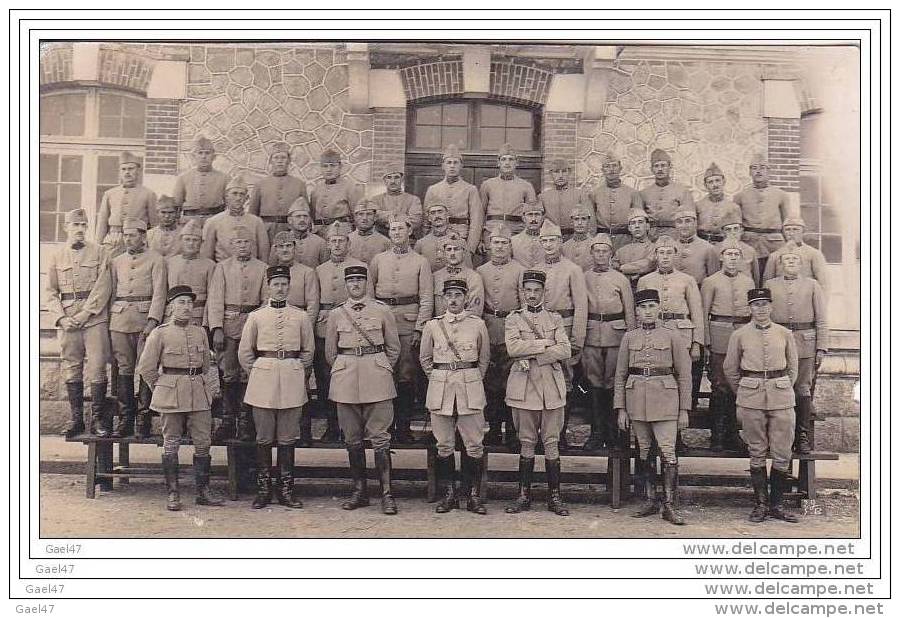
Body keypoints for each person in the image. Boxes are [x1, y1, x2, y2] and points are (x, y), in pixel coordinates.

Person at [137, 285, 224, 512]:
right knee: (171, 442)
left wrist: (210, 389)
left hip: (198, 393)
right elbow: (146, 368)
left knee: (203, 443)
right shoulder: (159, 333)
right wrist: (164, 386)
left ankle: (203, 491)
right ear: (171, 306)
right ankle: (173, 492)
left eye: (189, 303)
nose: (186, 307)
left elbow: (206, 366)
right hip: (171, 393)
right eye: (181, 302)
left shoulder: (200, 332)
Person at [325, 265, 401, 515]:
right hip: (346, 379)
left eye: (360, 280)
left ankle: (387, 494)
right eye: (351, 281)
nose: (356, 284)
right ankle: (359, 491)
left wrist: (378, 367)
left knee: (381, 438)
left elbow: (393, 348)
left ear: (367, 283)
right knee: (352, 439)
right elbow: (330, 353)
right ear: (346, 285)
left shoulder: (382, 311)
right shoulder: (336, 314)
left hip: (377, 378)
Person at [238, 265, 314, 509]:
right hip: (263, 378)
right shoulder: (256, 317)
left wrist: (294, 370)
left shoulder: (301, 316)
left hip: (291, 376)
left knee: (287, 438)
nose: (280, 288)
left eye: (284, 284)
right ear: (268, 287)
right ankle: (263, 489)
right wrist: (261, 371)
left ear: (289, 286)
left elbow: (308, 351)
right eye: (276, 284)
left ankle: (286, 490)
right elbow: (245, 353)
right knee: (263, 437)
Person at [615, 289, 692, 525]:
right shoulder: (629, 337)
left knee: (668, 452)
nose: (647, 311)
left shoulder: (672, 336)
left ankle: (669, 504)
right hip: (637, 399)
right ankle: (650, 500)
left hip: (666, 400)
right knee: (644, 451)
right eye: (642, 307)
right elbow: (620, 374)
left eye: (651, 306)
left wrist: (683, 410)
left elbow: (685, 374)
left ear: (658, 308)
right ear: (636, 311)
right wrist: (621, 408)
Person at [723, 288, 800, 523]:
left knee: (782, 452)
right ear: (749, 308)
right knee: (756, 450)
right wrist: (747, 390)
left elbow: (793, 369)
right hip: (751, 396)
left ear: (771, 307)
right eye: (756, 305)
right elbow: (730, 369)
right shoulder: (739, 335)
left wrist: (780, 386)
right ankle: (761, 505)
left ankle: (777, 505)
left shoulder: (784, 333)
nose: (761, 309)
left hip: (781, 396)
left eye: (765, 304)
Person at [420, 279, 492, 515]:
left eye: (458, 295)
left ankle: (472, 496)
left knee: (474, 445)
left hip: (469, 388)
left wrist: (469, 378)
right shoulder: (433, 326)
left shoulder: (477, 324)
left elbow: (483, 359)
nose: (453, 300)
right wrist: (441, 377)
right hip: (441, 389)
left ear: (465, 298)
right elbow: (425, 359)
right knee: (444, 445)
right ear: (443, 299)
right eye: (448, 295)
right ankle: (449, 495)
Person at [504, 270, 572, 517]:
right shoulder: (513, 319)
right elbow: (512, 348)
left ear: (544, 292)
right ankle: (523, 495)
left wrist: (531, 353)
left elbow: (565, 349)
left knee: (552, 443)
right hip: (524, 388)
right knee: (527, 442)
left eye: (537, 290)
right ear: (522, 292)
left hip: (551, 388)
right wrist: (544, 344)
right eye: (528, 290)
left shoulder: (554, 319)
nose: (532, 295)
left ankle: (555, 497)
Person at [44, 208, 113, 437]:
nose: (80, 229)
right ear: (66, 227)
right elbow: (50, 292)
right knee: (72, 368)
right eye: (76, 225)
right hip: (67, 322)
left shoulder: (101, 253)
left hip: (93, 320)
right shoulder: (56, 256)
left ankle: (97, 420)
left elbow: (104, 288)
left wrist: (84, 314)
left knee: (97, 368)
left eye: (84, 225)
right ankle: (76, 420)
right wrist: (61, 318)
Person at [368, 214, 434, 443]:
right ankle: (383, 426)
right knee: (383, 372)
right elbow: (369, 293)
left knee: (406, 374)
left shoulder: (420, 261)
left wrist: (419, 328)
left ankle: (403, 427)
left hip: (407, 322)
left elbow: (426, 297)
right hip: (382, 321)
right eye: (393, 229)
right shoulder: (378, 260)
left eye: (401, 229)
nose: (397, 233)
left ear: (409, 232)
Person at [207, 225, 268, 441]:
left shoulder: (262, 268)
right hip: (229, 326)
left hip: (252, 327)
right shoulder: (222, 268)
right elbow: (215, 300)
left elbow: (265, 301)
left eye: (246, 242)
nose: (243, 246)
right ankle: (227, 420)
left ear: (253, 245)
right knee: (229, 373)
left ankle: (245, 421)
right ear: (232, 246)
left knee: (248, 374)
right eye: (238, 242)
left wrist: (258, 325)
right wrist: (216, 329)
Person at [765, 249, 828, 454]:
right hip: (778, 342)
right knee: (776, 386)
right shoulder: (770, 285)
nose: (790, 262)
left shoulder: (812, 285)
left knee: (802, 388)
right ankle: (775, 435)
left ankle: (801, 436)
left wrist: (821, 347)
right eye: (786, 259)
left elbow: (821, 319)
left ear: (801, 264)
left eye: (794, 259)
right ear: (780, 264)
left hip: (805, 342)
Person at [108, 218, 167, 438]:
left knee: (145, 368)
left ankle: (143, 419)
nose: (128, 239)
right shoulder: (117, 261)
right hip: (120, 320)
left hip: (144, 320)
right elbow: (111, 292)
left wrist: (153, 320)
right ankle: (125, 419)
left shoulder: (156, 260)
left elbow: (160, 293)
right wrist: (109, 320)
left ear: (143, 236)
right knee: (124, 368)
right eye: (126, 235)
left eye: (133, 235)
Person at [534, 220, 588, 449]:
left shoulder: (572, 270)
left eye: (553, 240)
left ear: (560, 242)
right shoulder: (535, 268)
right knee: (538, 379)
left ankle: (559, 434)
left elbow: (581, 305)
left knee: (563, 380)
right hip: (538, 330)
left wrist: (577, 338)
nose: (548, 244)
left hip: (563, 328)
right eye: (544, 240)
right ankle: (539, 434)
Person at [637, 236, 705, 412]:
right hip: (655, 332)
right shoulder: (645, 280)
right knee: (659, 378)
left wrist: (697, 343)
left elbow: (697, 313)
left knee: (682, 377)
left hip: (682, 334)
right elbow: (640, 313)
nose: (665, 257)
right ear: (656, 255)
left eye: (669, 253)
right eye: (661, 252)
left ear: (675, 255)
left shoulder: (687, 280)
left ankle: (679, 428)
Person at [581, 233, 635, 450]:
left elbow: (630, 311)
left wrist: (630, 337)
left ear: (611, 254)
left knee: (614, 381)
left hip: (616, 335)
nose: (601, 255)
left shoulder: (621, 279)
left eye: (605, 251)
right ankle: (597, 431)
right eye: (597, 251)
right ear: (591, 253)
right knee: (594, 382)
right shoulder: (583, 277)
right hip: (592, 333)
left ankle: (614, 433)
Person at [700, 240, 755, 450]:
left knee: (737, 385)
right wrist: (706, 341)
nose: (732, 258)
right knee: (720, 385)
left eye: (736, 254)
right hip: (719, 334)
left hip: (741, 335)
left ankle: (733, 434)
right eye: (728, 254)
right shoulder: (711, 281)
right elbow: (704, 314)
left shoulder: (748, 282)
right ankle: (717, 435)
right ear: (721, 257)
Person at [313, 221, 364, 442]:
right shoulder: (319, 270)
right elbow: (313, 301)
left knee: (351, 377)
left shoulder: (360, 267)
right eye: (333, 241)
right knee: (325, 377)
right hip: (324, 326)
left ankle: (352, 427)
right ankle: (332, 425)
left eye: (341, 240)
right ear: (327, 244)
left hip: (350, 328)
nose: (337, 245)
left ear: (348, 243)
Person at [270, 230, 321, 445]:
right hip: (277, 331)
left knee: (303, 379)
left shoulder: (307, 272)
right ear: (275, 249)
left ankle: (305, 428)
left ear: (295, 248)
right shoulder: (270, 272)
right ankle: (278, 430)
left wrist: (303, 329)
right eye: (281, 247)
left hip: (300, 328)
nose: (285, 250)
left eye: (288, 246)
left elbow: (313, 303)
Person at [477, 224, 525, 448]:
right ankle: (494, 429)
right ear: (489, 245)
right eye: (495, 242)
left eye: (504, 243)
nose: (499, 247)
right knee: (490, 382)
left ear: (510, 246)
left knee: (512, 381)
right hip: (489, 326)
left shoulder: (519, 270)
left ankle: (513, 430)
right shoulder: (482, 271)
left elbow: (524, 305)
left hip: (511, 327)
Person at [733, 152, 796, 275]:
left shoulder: (781, 195)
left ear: (769, 171)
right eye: (754, 168)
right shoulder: (740, 196)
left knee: (774, 276)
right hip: (749, 243)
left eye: (762, 168)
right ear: (749, 172)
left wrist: (790, 244)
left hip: (774, 244)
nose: (758, 171)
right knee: (750, 277)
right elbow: (736, 224)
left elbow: (787, 223)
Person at [95, 151, 158, 258]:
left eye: (131, 169)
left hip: (137, 241)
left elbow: (154, 226)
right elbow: (102, 223)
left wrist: (151, 246)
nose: (127, 172)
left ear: (138, 171)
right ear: (119, 172)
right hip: (114, 241)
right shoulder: (110, 194)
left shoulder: (148, 194)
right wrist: (98, 246)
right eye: (123, 169)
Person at [423, 144, 483, 258]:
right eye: (449, 162)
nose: (452, 166)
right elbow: (426, 221)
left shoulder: (470, 189)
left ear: (461, 166)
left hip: (461, 237)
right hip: (437, 238)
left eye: (455, 163)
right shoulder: (433, 189)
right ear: (443, 166)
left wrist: (470, 248)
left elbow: (476, 221)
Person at [247, 142, 308, 243]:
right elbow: (253, 214)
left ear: (289, 161)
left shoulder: (299, 184)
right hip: (266, 231)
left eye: (283, 158)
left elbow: (305, 212)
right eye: (276, 158)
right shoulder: (260, 184)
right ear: (271, 161)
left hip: (291, 231)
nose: (280, 161)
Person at [480, 143, 537, 248]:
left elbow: (533, 214)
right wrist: (480, 239)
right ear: (498, 163)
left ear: (516, 163)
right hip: (492, 231)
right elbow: (480, 214)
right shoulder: (487, 185)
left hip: (517, 232)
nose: (507, 163)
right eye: (503, 159)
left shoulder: (526, 186)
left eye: (511, 159)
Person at [201, 175, 269, 263]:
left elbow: (263, 254)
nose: (238, 198)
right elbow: (207, 256)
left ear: (246, 198)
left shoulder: (256, 222)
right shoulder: (213, 222)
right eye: (234, 193)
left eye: (242, 194)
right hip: (223, 272)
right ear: (226, 197)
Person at [586, 150, 642, 250]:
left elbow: (639, 220)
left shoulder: (633, 193)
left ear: (620, 168)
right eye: (607, 166)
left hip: (626, 240)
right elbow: (591, 221)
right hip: (601, 240)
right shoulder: (594, 194)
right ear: (602, 170)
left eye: (614, 165)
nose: (611, 169)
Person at [166, 220, 216, 328]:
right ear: (180, 240)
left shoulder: (210, 265)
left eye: (195, 240)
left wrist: (207, 322)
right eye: (187, 239)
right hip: (171, 316)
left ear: (201, 243)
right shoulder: (170, 262)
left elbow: (212, 297)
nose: (191, 243)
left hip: (197, 316)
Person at [639, 148, 695, 240]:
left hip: (675, 236)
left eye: (663, 165)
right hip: (651, 237)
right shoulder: (644, 193)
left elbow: (691, 220)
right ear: (651, 169)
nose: (660, 169)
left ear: (670, 167)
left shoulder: (682, 191)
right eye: (656, 166)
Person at [172, 136, 228, 225]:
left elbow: (229, 204)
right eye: (200, 153)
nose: (204, 157)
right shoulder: (183, 178)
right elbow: (176, 206)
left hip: (215, 221)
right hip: (189, 222)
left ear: (214, 157)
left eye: (207, 153)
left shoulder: (224, 178)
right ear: (194, 156)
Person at [762, 217, 829, 289]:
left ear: (803, 232)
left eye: (795, 229)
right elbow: (767, 283)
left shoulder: (814, 254)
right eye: (787, 230)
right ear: (783, 233)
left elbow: (823, 283)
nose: (791, 233)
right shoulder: (774, 255)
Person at [309, 149, 362, 236]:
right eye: (325, 166)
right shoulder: (316, 190)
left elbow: (357, 215)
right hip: (320, 233)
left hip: (341, 233)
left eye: (332, 166)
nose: (329, 170)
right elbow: (312, 214)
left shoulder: (350, 187)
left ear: (340, 167)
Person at [538, 158, 592, 240]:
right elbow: (538, 221)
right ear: (551, 174)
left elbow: (591, 221)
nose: (560, 176)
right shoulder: (543, 197)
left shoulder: (580, 194)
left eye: (564, 171)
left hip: (575, 238)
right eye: (556, 172)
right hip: (552, 239)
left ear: (569, 172)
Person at [432, 234, 484, 318]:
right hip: (440, 327)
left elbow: (475, 310)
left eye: (456, 249)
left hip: (465, 326)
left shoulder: (474, 277)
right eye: (449, 250)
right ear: (444, 253)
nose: (452, 253)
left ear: (464, 252)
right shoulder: (435, 276)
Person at [415, 202, 474, 272]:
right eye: (433, 213)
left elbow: (469, 270)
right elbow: (416, 270)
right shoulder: (421, 243)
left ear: (447, 215)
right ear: (429, 218)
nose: (437, 216)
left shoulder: (459, 241)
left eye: (440, 212)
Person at [372, 163, 424, 238]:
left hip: (406, 240)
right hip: (382, 239)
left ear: (402, 179)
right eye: (389, 177)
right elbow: (375, 216)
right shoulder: (375, 200)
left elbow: (416, 221)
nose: (393, 181)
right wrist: (398, 215)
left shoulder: (413, 199)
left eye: (396, 177)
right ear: (384, 180)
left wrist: (388, 218)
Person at [695, 162, 741, 243]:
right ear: (705, 185)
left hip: (724, 246)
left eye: (717, 180)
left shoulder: (733, 207)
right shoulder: (698, 206)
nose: (715, 185)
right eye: (710, 182)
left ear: (723, 182)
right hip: (703, 244)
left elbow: (737, 234)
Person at [672, 208, 719, 286]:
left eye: (688, 221)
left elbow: (714, 280)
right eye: (679, 222)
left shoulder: (708, 248)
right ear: (675, 225)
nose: (684, 226)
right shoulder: (670, 247)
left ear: (695, 223)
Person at [612, 208, 657, 288]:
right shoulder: (621, 251)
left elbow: (648, 264)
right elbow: (613, 268)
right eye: (633, 223)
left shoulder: (654, 248)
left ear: (647, 226)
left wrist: (621, 268)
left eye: (640, 222)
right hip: (624, 288)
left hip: (647, 288)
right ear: (629, 228)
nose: (636, 226)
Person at [716, 213, 761, 285]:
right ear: (722, 232)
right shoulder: (715, 249)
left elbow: (756, 276)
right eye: (728, 230)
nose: (732, 232)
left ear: (742, 231)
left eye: (736, 229)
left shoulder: (750, 250)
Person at [285, 197, 329, 268]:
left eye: (305, 216)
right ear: (290, 220)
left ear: (310, 220)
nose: (302, 220)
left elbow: (325, 269)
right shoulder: (281, 242)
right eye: (298, 216)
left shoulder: (320, 243)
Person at [510, 201, 545, 268]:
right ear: (523, 218)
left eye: (537, 214)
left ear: (542, 218)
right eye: (530, 215)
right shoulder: (513, 241)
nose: (533, 219)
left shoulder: (550, 240)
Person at [561, 206, 595, 271]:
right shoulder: (564, 247)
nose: (580, 223)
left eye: (583, 219)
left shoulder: (595, 245)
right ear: (571, 222)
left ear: (589, 222)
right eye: (576, 219)